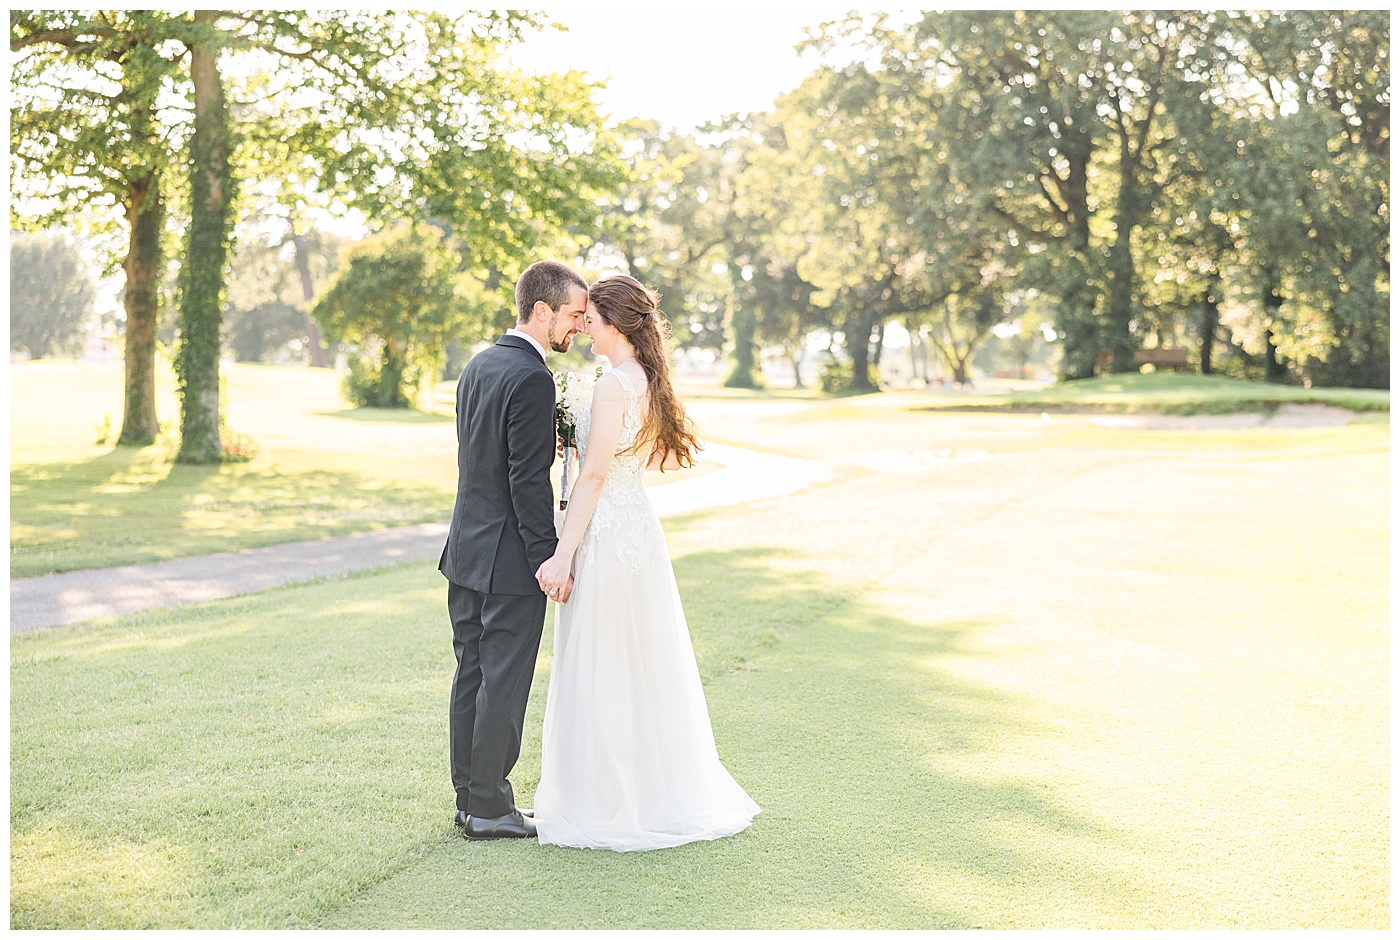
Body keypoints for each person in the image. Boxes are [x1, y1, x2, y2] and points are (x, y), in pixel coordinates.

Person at [533, 275, 761, 851]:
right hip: (634, 527)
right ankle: (644, 791)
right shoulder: (644, 380)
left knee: (604, 659)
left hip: (607, 535)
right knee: (636, 660)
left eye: (590, 318)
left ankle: (607, 803)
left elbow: (595, 475)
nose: (582, 326)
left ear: (614, 323)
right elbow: (629, 459)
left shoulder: (614, 386)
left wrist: (563, 553)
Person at [438, 260, 586, 841]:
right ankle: (491, 807)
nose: (577, 327)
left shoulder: (479, 365)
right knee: (502, 678)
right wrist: (549, 559)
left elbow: (482, 458)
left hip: (466, 551)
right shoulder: (531, 377)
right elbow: (529, 483)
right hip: (507, 560)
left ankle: (470, 798)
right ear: (542, 310)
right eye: (573, 315)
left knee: (471, 673)